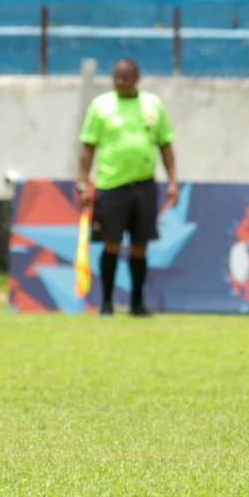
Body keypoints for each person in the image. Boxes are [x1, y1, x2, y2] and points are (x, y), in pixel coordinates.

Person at [77, 58, 178, 316]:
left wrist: (173, 180)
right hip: (111, 185)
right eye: (116, 78)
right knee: (111, 243)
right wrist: (82, 180)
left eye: (126, 78)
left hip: (144, 185)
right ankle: (107, 303)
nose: (121, 83)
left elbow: (165, 144)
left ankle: (136, 303)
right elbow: (88, 146)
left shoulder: (152, 104)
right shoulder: (101, 106)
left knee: (140, 245)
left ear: (137, 77)